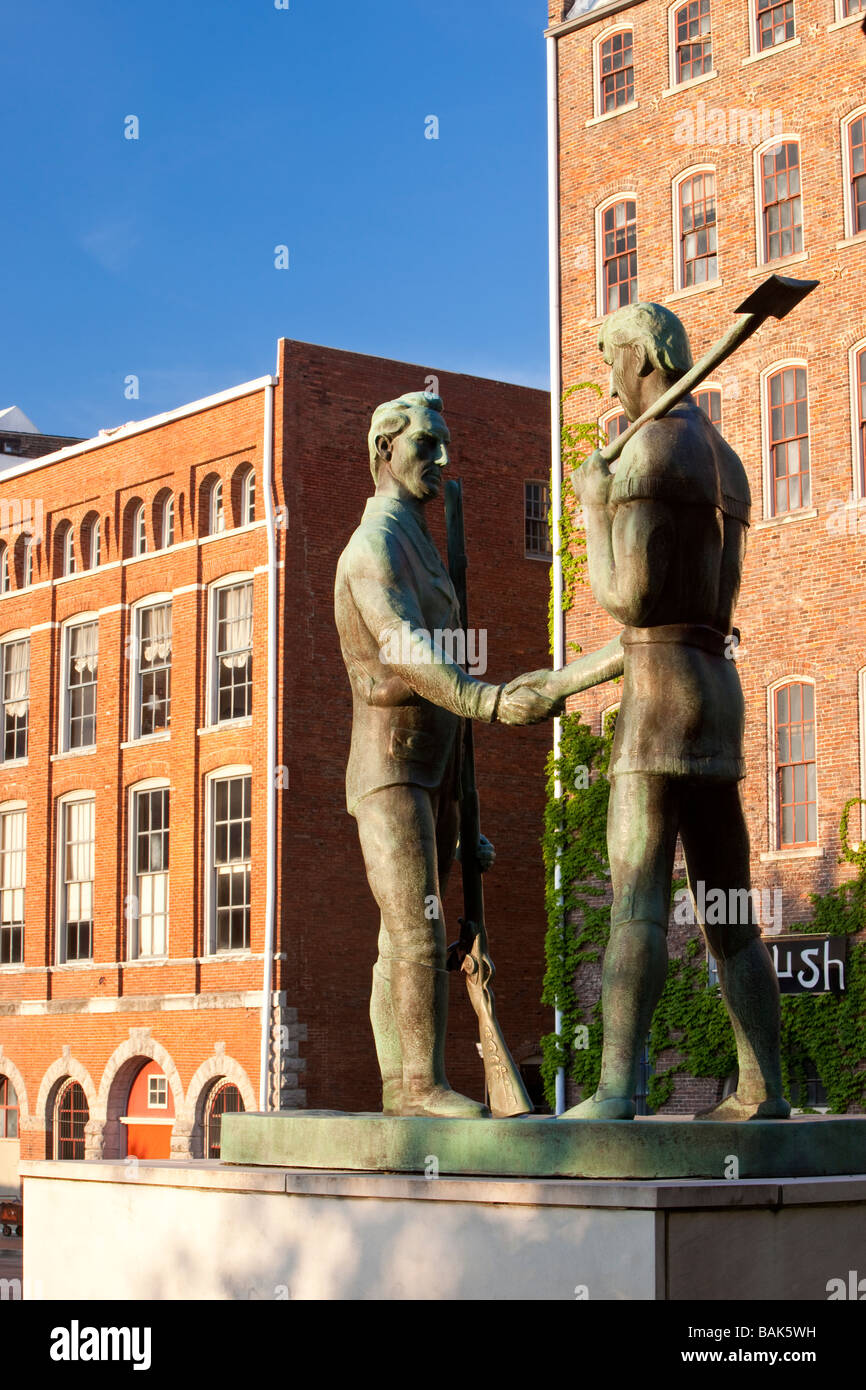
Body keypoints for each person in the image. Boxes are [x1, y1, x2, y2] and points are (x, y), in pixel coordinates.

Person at [335, 391, 616, 1118]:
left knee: (396, 941)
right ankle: (417, 1088)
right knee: (417, 929)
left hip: (436, 775)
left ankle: (402, 1082)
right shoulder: (372, 548)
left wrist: (463, 815)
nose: (442, 459)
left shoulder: (420, 543)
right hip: (390, 770)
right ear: (384, 451)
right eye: (427, 444)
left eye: (444, 444)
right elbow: (406, 651)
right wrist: (487, 700)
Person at [556, 301, 789, 1121]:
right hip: (716, 690)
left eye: (610, 360)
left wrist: (594, 500)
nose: (608, 378)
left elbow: (629, 598)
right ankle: (766, 1088)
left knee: (637, 901)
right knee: (728, 907)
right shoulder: (726, 457)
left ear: (643, 357)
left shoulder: (650, 450)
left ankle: (619, 1088)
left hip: (657, 694)